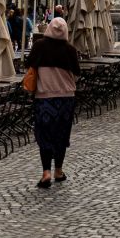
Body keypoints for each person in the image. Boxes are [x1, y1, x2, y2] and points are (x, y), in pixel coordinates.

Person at [24, 17, 80, 189]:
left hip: (44, 98)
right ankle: (59, 171)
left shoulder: (39, 46)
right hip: (66, 98)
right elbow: (76, 75)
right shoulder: (70, 50)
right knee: (61, 134)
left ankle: (46, 172)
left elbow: (29, 66)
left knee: (45, 134)